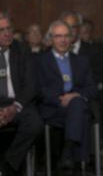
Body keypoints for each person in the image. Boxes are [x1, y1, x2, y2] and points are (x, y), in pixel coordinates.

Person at [35, 20, 97, 173]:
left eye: (65, 36)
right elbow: (38, 89)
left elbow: (92, 89)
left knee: (77, 104)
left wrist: (76, 95)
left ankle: (68, 150)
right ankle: (78, 162)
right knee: (82, 114)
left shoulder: (82, 61)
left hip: (75, 107)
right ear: (51, 39)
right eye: (58, 36)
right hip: (53, 109)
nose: (62, 40)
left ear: (71, 38)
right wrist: (60, 99)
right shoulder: (40, 61)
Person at [0, 12, 43, 176]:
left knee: (34, 123)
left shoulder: (23, 49)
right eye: (1, 29)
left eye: (9, 28)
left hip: (18, 103)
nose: (7, 33)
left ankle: (8, 165)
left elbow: (31, 85)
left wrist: (14, 107)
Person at [60, 12, 103, 140]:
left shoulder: (96, 51)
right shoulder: (53, 52)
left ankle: (91, 151)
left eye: (73, 27)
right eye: (66, 26)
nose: (70, 31)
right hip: (61, 97)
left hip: (90, 96)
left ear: (79, 28)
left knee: (99, 104)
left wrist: (82, 93)